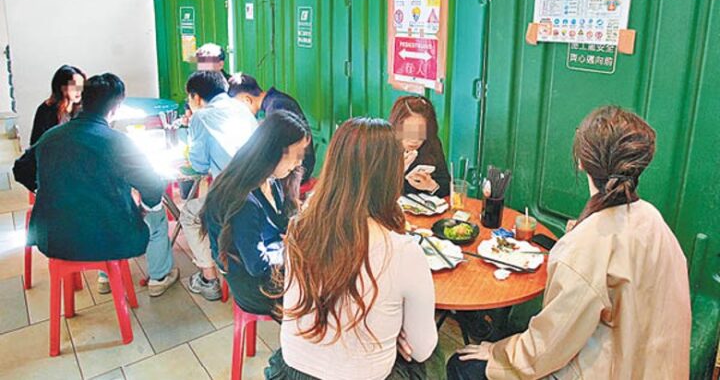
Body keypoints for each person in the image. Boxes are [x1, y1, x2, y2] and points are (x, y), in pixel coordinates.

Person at [447, 106, 691, 379]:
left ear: (581, 162)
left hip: (608, 369)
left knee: (462, 365)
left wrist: (496, 353)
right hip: (657, 367)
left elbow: (546, 349)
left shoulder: (587, 244)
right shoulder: (652, 218)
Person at [267, 117, 443, 380]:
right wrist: (395, 332)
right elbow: (420, 350)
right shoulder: (405, 252)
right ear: (391, 176)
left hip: (291, 372)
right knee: (434, 357)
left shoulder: (300, 228)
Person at [14, 73, 179, 297]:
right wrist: (143, 209)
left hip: (54, 238)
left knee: (99, 212)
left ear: (82, 100)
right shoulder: (118, 142)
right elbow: (152, 185)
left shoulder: (51, 137)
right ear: (116, 107)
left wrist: (46, 188)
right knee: (156, 217)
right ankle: (159, 278)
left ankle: (104, 278)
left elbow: (20, 169)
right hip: (108, 238)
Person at [200, 110, 310, 315]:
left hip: (269, 268)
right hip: (255, 287)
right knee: (329, 291)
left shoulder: (269, 180)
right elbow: (257, 265)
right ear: (274, 152)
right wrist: (289, 251)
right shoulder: (244, 201)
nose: (299, 162)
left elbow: (280, 224)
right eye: (297, 155)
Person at [179, 70, 258, 301]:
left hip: (232, 197)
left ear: (196, 97)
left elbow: (199, 164)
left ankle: (209, 279)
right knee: (206, 201)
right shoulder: (242, 109)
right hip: (257, 191)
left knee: (190, 215)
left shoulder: (201, 117)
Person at [228, 72, 316, 183]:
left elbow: (278, 151)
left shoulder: (276, 106)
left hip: (298, 170)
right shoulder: (275, 100)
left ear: (247, 100)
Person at [389, 95, 451, 198]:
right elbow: (374, 194)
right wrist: (399, 171)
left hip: (423, 206)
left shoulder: (431, 143)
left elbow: (446, 186)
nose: (414, 139)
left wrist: (432, 186)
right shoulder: (384, 145)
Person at [30, 65, 86, 145]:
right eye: (74, 86)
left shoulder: (83, 110)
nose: (78, 91)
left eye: (81, 86)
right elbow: (36, 144)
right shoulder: (46, 111)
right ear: (62, 87)